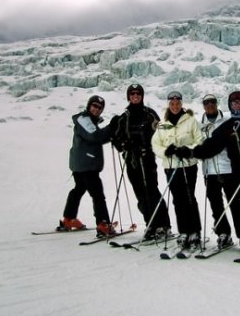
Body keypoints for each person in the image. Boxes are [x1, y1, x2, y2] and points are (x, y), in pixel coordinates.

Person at [174, 91, 240, 257]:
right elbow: (210, 147)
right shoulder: (226, 127)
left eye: (239, 102)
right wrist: (190, 153)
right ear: (230, 105)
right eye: (234, 103)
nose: (236, 105)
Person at [110, 84, 172, 240]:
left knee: (152, 191)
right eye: (132, 93)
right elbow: (117, 140)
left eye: (138, 93)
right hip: (132, 161)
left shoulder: (149, 114)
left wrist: (148, 147)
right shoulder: (124, 117)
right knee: (140, 194)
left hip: (147, 159)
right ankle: (150, 225)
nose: (135, 96)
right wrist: (125, 145)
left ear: (142, 96)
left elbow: (160, 133)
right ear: (128, 96)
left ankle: (163, 225)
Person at [151, 91, 204, 250]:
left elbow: (199, 141)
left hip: (188, 166)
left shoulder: (191, 121)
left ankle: (194, 231)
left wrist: (187, 150)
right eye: (172, 104)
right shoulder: (162, 124)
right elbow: (156, 145)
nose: (175, 106)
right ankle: (183, 231)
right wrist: (165, 152)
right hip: (171, 166)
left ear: (182, 104)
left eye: (178, 103)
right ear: (169, 104)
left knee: (189, 198)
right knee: (178, 200)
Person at [60, 95, 116, 237]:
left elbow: (96, 138)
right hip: (87, 164)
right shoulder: (84, 119)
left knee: (78, 189)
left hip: (80, 164)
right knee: (97, 194)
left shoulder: (88, 121)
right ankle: (103, 224)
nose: (96, 109)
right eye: (94, 106)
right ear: (89, 106)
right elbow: (95, 136)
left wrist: (110, 134)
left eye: (99, 107)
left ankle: (68, 219)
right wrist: (112, 127)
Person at [198, 94, 235, 249]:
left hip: (228, 168)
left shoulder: (227, 120)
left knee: (236, 203)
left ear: (217, 103)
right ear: (204, 105)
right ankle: (223, 233)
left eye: (213, 102)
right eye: (207, 103)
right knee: (215, 204)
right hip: (210, 170)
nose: (210, 105)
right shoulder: (199, 125)